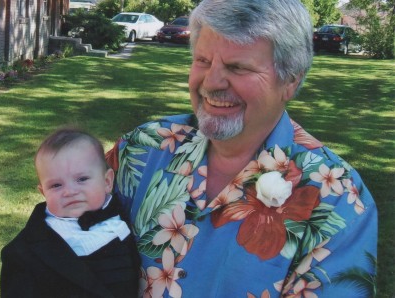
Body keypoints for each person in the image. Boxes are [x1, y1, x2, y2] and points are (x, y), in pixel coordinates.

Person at [106, 0, 378, 297]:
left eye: (237, 67)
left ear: (290, 79)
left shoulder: (337, 198)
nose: (211, 83)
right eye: (203, 61)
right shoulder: (142, 149)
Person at [0, 128, 140, 298]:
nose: (70, 191)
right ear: (43, 192)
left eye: (82, 179)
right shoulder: (23, 252)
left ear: (107, 182)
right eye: (56, 185)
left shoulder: (128, 218)